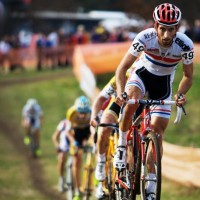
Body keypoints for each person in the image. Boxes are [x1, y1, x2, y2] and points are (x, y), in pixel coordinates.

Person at [113, 3, 194, 199]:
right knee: (132, 99)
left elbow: (188, 76)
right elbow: (121, 69)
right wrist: (121, 92)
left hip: (163, 85)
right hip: (142, 76)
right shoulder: (144, 37)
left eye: (171, 29)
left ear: (177, 28)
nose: (167, 35)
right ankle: (122, 146)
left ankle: (150, 179)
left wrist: (181, 94)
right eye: (163, 29)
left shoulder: (185, 44)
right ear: (156, 25)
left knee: (157, 131)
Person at [90, 68, 133, 198]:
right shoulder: (120, 78)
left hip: (133, 107)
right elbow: (100, 98)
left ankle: (131, 172)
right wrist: (93, 117)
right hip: (117, 106)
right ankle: (102, 161)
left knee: (132, 141)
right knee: (104, 127)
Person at [66, 95, 91, 200]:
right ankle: (77, 190)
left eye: (85, 113)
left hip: (86, 133)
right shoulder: (71, 114)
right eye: (80, 112)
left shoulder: (91, 113)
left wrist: (88, 140)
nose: (82, 115)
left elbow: (92, 130)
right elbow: (67, 132)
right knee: (76, 162)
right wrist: (74, 142)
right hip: (75, 136)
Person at [52, 118, 71, 192]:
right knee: (61, 159)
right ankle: (61, 179)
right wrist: (57, 146)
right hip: (64, 145)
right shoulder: (64, 123)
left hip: (73, 144)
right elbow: (54, 136)